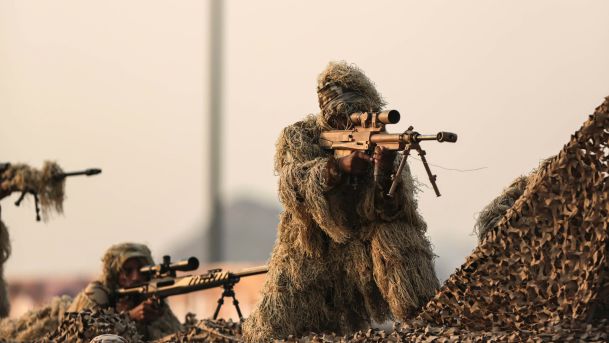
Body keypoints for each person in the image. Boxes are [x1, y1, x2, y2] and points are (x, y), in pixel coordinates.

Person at [243, 61, 440, 342]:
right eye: (338, 118)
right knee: (271, 330)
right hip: (314, 250)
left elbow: (391, 211)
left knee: (398, 235)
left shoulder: (385, 144)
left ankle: (429, 321)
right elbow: (291, 184)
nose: (347, 123)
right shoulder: (301, 136)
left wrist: (383, 170)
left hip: (362, 252)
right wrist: (338, 168)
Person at [68, 242, 181, 340]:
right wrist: (130, 316)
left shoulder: (148, 294)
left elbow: (176, 332)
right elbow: (82, 332)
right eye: (128, 271)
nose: (136, 277)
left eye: (142, 270)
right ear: (114, 273)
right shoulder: (98, 293)